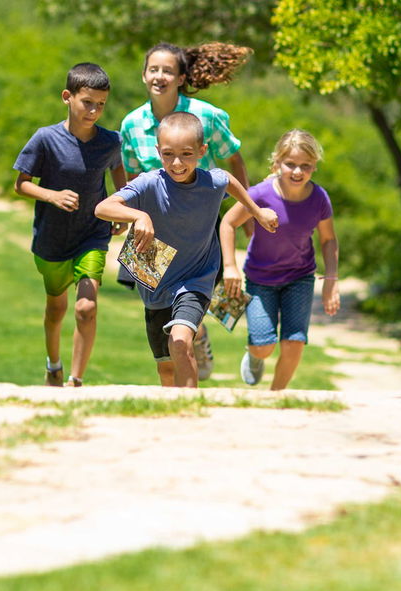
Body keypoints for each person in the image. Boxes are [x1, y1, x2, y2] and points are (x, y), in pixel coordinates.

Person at [95, 112, 278, 387]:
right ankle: (174, 411)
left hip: (196, 279)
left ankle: (191, 408)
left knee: (180, 342)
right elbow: (102, 208)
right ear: (158, 151)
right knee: (166, 369)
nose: (177, 162)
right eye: (168, 154)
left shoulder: (210, 183)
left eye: (186, 154)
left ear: (202, 151)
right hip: (155, 279)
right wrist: (139, 216)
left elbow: (228, 178)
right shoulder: (149, 182)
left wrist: (257, 212)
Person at [119, 41, 253, 378]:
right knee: (158, 307)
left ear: (181, 77)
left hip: (201, 219)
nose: (160, 76)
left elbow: (233, 158)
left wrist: (248, 214)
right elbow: (132, 175)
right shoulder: (131, 123)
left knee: (219, 296)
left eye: (168, 70)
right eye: (154, 69)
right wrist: (130, 217)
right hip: (155, 225)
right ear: (144, 74)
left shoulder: (206, 116)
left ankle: (200, 337)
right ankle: (191, 342)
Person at [13, 63, 128, 387]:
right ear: (68, 97)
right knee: (55, 308)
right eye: (87, 102)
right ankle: (53, 365)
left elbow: (120, 179)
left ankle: (76, 380)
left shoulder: (110, 141)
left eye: (100, 105)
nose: (94, 110)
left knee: (86, 307)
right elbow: (21, 184)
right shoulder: (45, 139)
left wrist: (120, 209)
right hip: (51, 239)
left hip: (92, 234)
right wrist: (51, 195)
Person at [220, 130, 339, 390]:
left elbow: (329, 240)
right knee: (264, 347)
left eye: (305, 166)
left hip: (300, 277)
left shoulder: (319, 198)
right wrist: (230, 266)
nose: (298, 171)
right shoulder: (261, 193)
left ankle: (276, 396)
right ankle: (254, 355)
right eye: (290, 164)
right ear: (277, 164)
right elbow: (228, 223)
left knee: (295, 340)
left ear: (314, 167)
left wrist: (331, 279)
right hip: (260, 278)